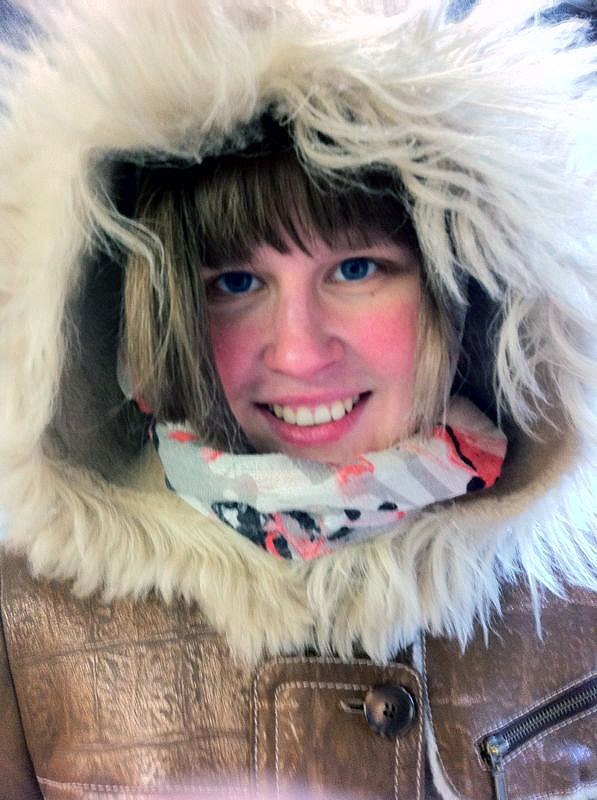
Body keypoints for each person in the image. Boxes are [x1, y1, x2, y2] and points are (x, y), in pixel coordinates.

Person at [0, 2, 595, 799]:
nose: (300, 352)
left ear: (458, 289)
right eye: (235, 283)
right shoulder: (25, 618)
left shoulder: (575, 590)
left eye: (355, 269)